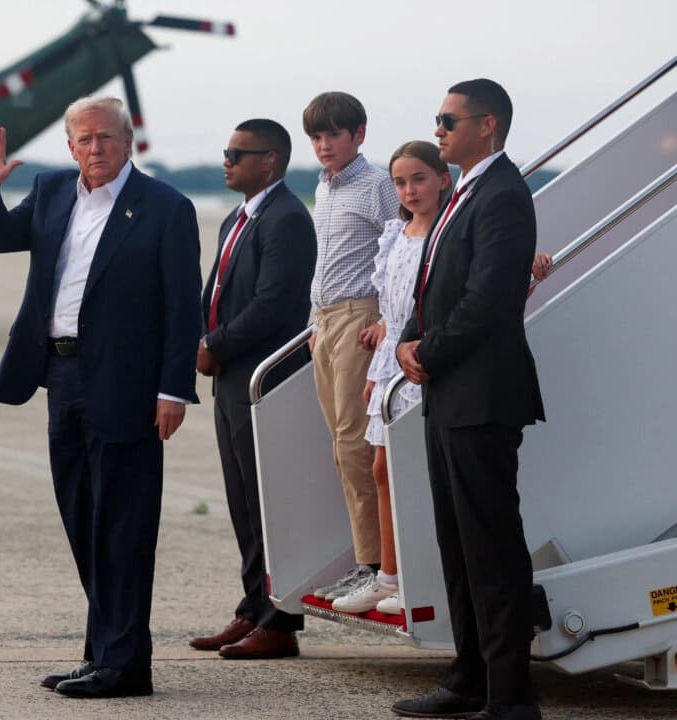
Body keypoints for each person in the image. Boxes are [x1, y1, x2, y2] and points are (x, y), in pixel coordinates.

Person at [0, 97, 202, 698]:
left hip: (129, 385)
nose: (96, 149)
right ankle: (104, 653)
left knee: (123, 526)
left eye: (107, 138)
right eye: (84, 139)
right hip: (61, 377)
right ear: (70, 147)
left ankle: (124, 665)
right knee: (83, 521)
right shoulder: (50, 191)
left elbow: (183, 309)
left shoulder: (166, 208)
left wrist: (174, 387)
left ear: (130, 142)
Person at [393, 79, 545, 720]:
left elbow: (489, 299)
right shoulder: (465, 192)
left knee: (491, 549)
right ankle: (470, 678)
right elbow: (436, 282)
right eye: (437, 119)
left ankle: (511, 699)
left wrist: (427, 353)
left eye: (447, 120)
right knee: (456, 544)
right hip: (451, 392)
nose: (438, 129)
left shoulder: (505, 194)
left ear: (487, 125)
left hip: (481, 394)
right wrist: (408, 336)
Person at [190, 119, 316, 658]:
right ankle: (252, 607)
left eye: (237, 154)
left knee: (267, 504)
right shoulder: (237, 220)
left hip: (262, 377)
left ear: (270, 161)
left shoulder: (286, 218)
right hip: (232, 375)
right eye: (226, 151)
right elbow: (219, 289)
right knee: (241, 500)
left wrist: (215, 344)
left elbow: (275, 305)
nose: (227, 161)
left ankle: (280, 623)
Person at [330, 141, 450, 615]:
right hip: (390, 364)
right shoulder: (396, 235)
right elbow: (390, 307)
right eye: (400, 182)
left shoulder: (446, 231)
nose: (409, 189)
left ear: (442, 178)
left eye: (419, 178)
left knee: (413, 472)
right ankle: (389, 574)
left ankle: (417, 574)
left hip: (421, 363)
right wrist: (378, 367)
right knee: (382, 470)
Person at [302, 92, 400, 601]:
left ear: (358, 134)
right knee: (342, 447)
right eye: (316, 137)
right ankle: (369, 560)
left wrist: (387, 319)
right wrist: (314, 322)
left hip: (361, 319)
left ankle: (377, 565)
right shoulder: (325, 187)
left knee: (357, 444)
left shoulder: (378, 183)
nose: (323, 145)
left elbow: (403, 245)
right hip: (327, 323)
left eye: (332, 135)